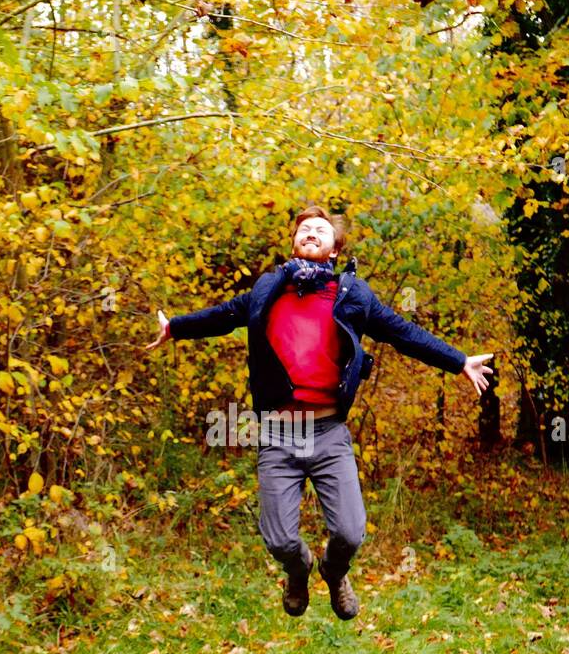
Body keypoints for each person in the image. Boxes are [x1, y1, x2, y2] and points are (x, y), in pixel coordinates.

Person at [146, 205, 493, 619]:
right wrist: (176, 327)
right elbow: (224, 316)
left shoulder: (354, 295)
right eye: (304, 229)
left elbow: (403, 332)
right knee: (279, 541)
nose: (311, 233)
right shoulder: (268, 288)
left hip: (328, 432)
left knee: (350, 531)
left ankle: (333, 569)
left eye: (321, 230)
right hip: (277, 434)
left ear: (333, 249)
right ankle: (299, 569)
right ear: (294, 242)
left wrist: (458, 361)